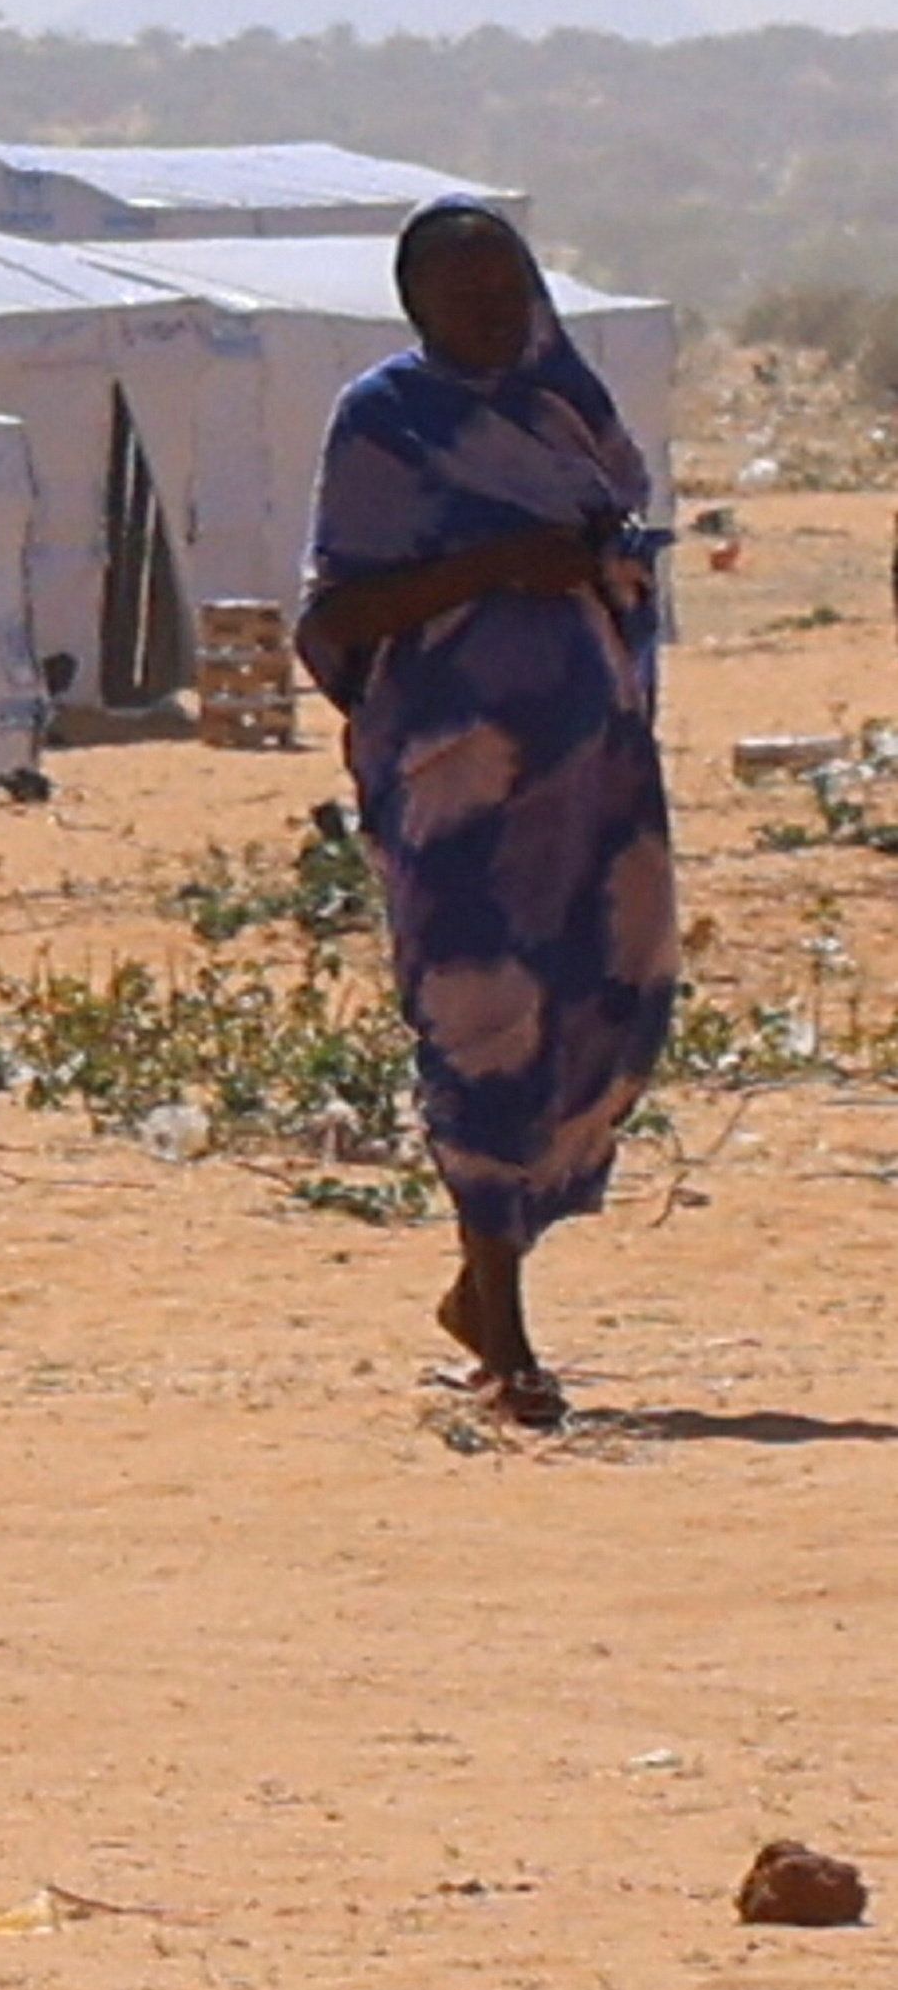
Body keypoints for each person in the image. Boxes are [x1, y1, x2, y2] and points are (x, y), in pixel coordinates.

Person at [291, 203, 677, 1429]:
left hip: (594, 784)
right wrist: (498, 566)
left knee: (599, 1006)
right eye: (458, 297)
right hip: (453, 784)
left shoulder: (573, 406)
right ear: (414, 306)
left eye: (502, 287)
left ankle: (479, 1281)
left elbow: (626, 559)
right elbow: (341, 613)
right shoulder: (386, 421)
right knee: (475, 1018)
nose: (487, 314)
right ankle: (504, 1336)